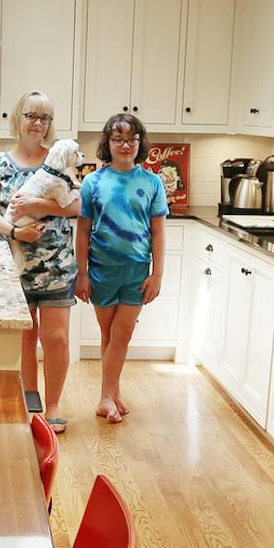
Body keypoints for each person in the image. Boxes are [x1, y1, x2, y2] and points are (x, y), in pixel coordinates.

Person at [0, 91, 78, 430]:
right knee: (23, 336)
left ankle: (52, 407)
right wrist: (15, 232)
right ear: (18, 118)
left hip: (56, 266)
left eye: (45, 118)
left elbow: (79, 206)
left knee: (56, 339)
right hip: (13, 265)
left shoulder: (60, 159)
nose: (38, 123)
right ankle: (26, 401)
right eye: (32, 115)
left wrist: (39, 207)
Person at [74, 111, 165, 424]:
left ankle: (105, 397)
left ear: (140, 143)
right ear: (107, 143)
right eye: (118, 140)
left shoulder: (152, 182)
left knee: (122, 333)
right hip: (101, 269)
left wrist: (157, 274)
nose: (125, 145)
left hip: (137, 270)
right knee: (109, 335)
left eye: (131, 139)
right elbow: (83, 231)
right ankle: (111, 393)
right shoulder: (93, 182)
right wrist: (82, 273)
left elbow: (158, 231)